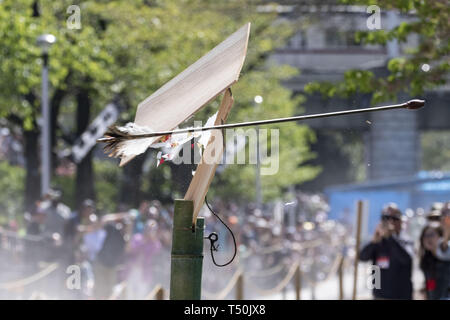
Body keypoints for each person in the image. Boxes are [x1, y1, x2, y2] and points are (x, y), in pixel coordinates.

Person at [359, 203, 414, 299]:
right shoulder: (379, 241)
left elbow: (406, 259)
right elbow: (362, 257)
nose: (390, 221)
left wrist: (390, 238)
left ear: (401, 221)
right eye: (386, 217)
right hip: (380, 295)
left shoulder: (406, 240)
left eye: (394, 218)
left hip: (400, 296)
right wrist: (374, 241)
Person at [418, 224, 450, 299]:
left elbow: (443, 249)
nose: (428, 238)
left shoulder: (447, 253)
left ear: (440, 237)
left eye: (431, 235)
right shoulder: (426, 259)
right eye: (425, 236)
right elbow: (430, 282)